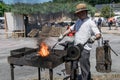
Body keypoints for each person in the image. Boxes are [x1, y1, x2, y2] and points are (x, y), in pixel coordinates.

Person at [58, 3, 101, 80]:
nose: (77, 15)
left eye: (78, 13)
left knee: (84, 68)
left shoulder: (90, 22)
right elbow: (71, 29)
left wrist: (94, 38)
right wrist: (63, 35)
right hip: (75, 48)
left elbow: (98, 34)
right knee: (74, 66)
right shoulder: (78, 21)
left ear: (84, 12)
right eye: (77, 13)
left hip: (85, 49)